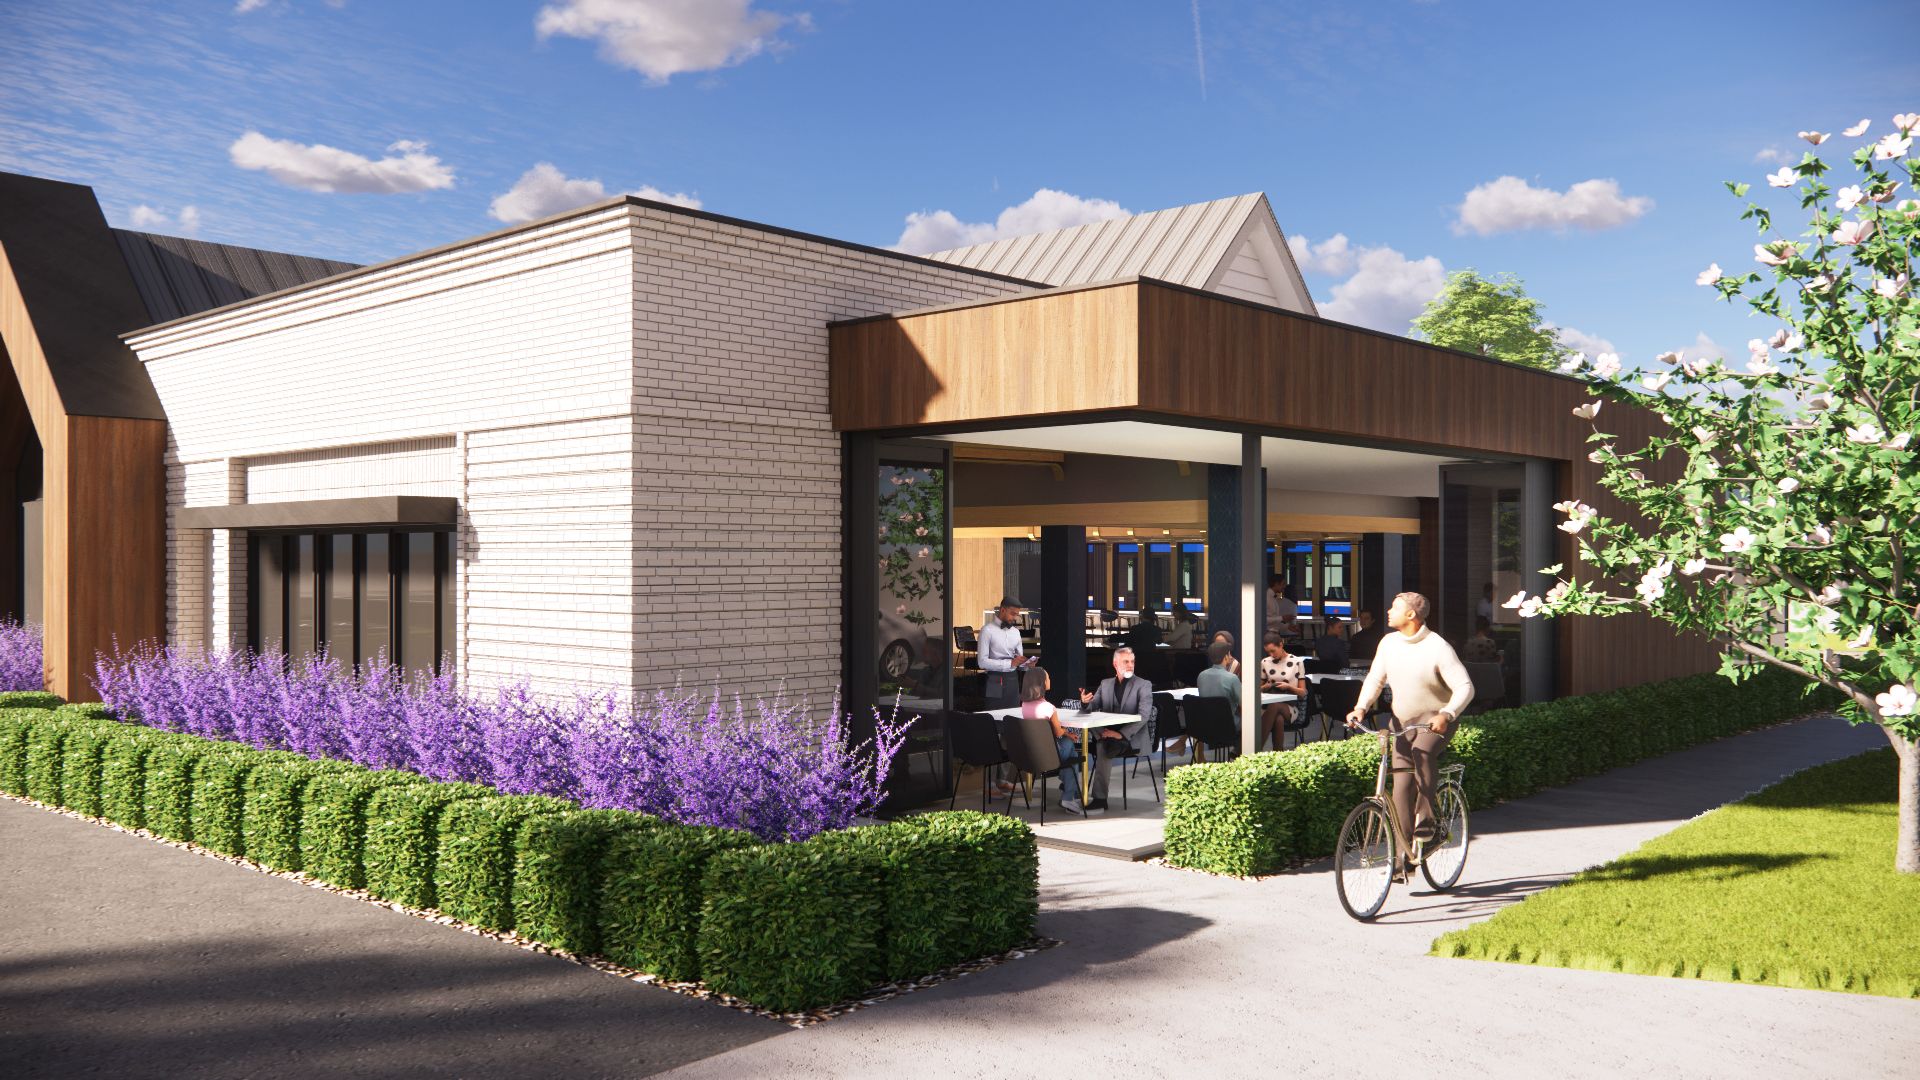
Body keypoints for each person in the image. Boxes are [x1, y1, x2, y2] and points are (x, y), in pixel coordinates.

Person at [1345, 592, 1474, 882]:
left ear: (1412, 615)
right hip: (1402, 722)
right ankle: (1404, 857)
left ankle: (1427, 824)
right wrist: (1360, 708)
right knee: (1401, 786)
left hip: (1435, 721)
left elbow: (1466, 687)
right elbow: (1375, 679)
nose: (1388, 611)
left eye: (1395, 608)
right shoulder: (1389, 643)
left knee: (1422, 753)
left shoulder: (1437, 647)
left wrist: (1447, 714)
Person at [1076, 645, 1153, 810]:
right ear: (1115, 664)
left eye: (1132, 661)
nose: (1130, 665)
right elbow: (1091, 708)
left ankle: (1099, 799)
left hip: (1131, 738)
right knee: (1098, 731)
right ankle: (1107, 738)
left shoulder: (1143, 685)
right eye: (1126, 662)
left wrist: (1121, 735)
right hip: (1107, 733)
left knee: (1103, 747)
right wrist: (1085, 702)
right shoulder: (1105, 684)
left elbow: (1144, 716)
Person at [1020, 666, 1081, 815]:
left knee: (1069, 748)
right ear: (1041, 683)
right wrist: (1069, 734)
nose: (1050, 680)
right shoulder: (1049, 708)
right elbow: (1058, 732)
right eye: (1047, 678)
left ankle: (1069, 789)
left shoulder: (1024, 705)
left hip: (1032, 752)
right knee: (1071, 750)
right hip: (1049, 756)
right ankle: (1069, 794)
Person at [979, 596, 1036, 708]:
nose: (1015, 618)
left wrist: (1027, 665)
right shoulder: (987, 630)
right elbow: (982, 662)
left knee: (1012, 716)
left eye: (1017, 614)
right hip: (994, 679)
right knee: (994, 716)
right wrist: (1010, 663)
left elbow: (1019, 661)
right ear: (1003, 610)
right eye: (1012, 614)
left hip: (1013, 679)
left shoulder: (1016, 633)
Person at [1192, 639, 1241, 761]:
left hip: (1205, 725)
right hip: (1228, 726)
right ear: (1226, 657)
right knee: (1256, 719)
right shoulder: (1232, 678)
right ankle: (1240, 753)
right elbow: (1243, 704)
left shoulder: (1201, 676)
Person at [1259, 633, 1308, 749]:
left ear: (1281, 645)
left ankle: (1252, 748)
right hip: (1269, 705)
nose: (1271, 655)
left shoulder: (1297, 662)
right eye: (1268, 652)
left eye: (1273, 651)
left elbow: (1303, 692)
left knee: (1275, 706)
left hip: (1290, 707)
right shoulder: (1265, 662)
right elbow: (1258, 690)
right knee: (1278, 719)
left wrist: (1289, 687)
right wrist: (1265, 687)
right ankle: (1278, 753)